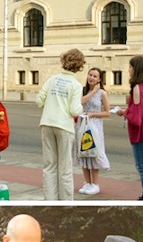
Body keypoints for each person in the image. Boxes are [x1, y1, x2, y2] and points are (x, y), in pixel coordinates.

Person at [36, 49, 85, 200]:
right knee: (65, 168)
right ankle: (66, 201)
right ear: (79, 66)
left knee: (49, 166)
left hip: (47, 122)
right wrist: (81, 107)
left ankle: (50, 199)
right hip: (64, 126)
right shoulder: (76, 85)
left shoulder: (52, 79)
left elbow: (39, 100)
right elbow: (74, 110)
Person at [116, 56, 143, 200]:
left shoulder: (137, 88)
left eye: (130, 67)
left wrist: (124, 112)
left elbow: (136, 118)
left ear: (137, 69)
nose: (128, 70)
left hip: (141, 133)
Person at [75, 67, 111, 195]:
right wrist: (92, 92)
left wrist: (93, 115)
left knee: (93, 153)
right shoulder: (83, 90)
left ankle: (95, 183)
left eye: (95, 76)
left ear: (99, 79)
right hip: (82, 125)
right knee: (83, 153)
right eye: (90, 75)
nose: (92, 78)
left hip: (94, 126)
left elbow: (107, 112)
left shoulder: (102, 93)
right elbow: (80, 102)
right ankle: (87, 182)